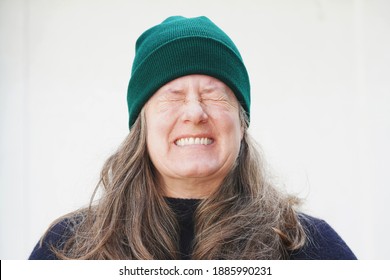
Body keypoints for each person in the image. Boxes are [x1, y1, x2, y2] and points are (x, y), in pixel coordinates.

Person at [29, 16, 356, 260]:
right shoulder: (67, 250)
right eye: (172, 95)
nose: (195, 113)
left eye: (214, 96)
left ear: (242, 125)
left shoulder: (308, 249)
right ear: (141, 125)